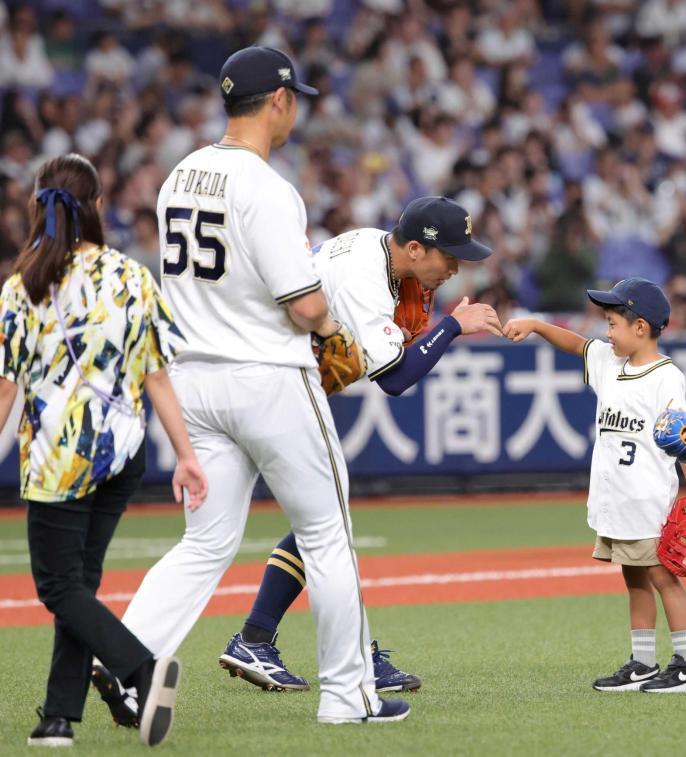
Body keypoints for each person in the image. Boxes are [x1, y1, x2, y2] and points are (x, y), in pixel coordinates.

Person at [94, 46, 414, 726]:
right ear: (279, 100)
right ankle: (346, 696)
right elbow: (301, 302)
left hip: (192, 382)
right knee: (326, 532)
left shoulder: (179, 174)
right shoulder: (267, 186)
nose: (296, 109)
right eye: (296, 98)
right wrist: (335, 332)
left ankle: (124, 654)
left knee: (206, 542)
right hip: (267, 376)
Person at [219, 195, 502, 692]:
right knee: (315, 524)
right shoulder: (363, 276)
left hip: (271, 380)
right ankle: (340, 658)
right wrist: (455, 326)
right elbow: (394, 378)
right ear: (415, 249)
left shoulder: (385, 256)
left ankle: (260, 639)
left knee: (319, 520)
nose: (456, 268)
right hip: (266, 382)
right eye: (449, 255)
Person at [0, 153, 208, 747]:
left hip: (58, 460)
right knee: (78, 586)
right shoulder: (129, 275)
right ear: (95, 206)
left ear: (36, 207)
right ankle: (58, 718)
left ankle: (139, 669)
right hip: (123, 450)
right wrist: (186, 455)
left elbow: (7, 388)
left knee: (59, 587)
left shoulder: (23, 287)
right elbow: (157, 376)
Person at [502, 278, 686, 693]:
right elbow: (576, 344)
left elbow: (682, 435)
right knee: (633, 578)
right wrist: (536, 326)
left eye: (614, 322)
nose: (607, 332)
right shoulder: (609, 363)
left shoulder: (665, 377)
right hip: (617, 500)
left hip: (649, 499)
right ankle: (643, 663)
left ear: (641, 327)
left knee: (662, 578)